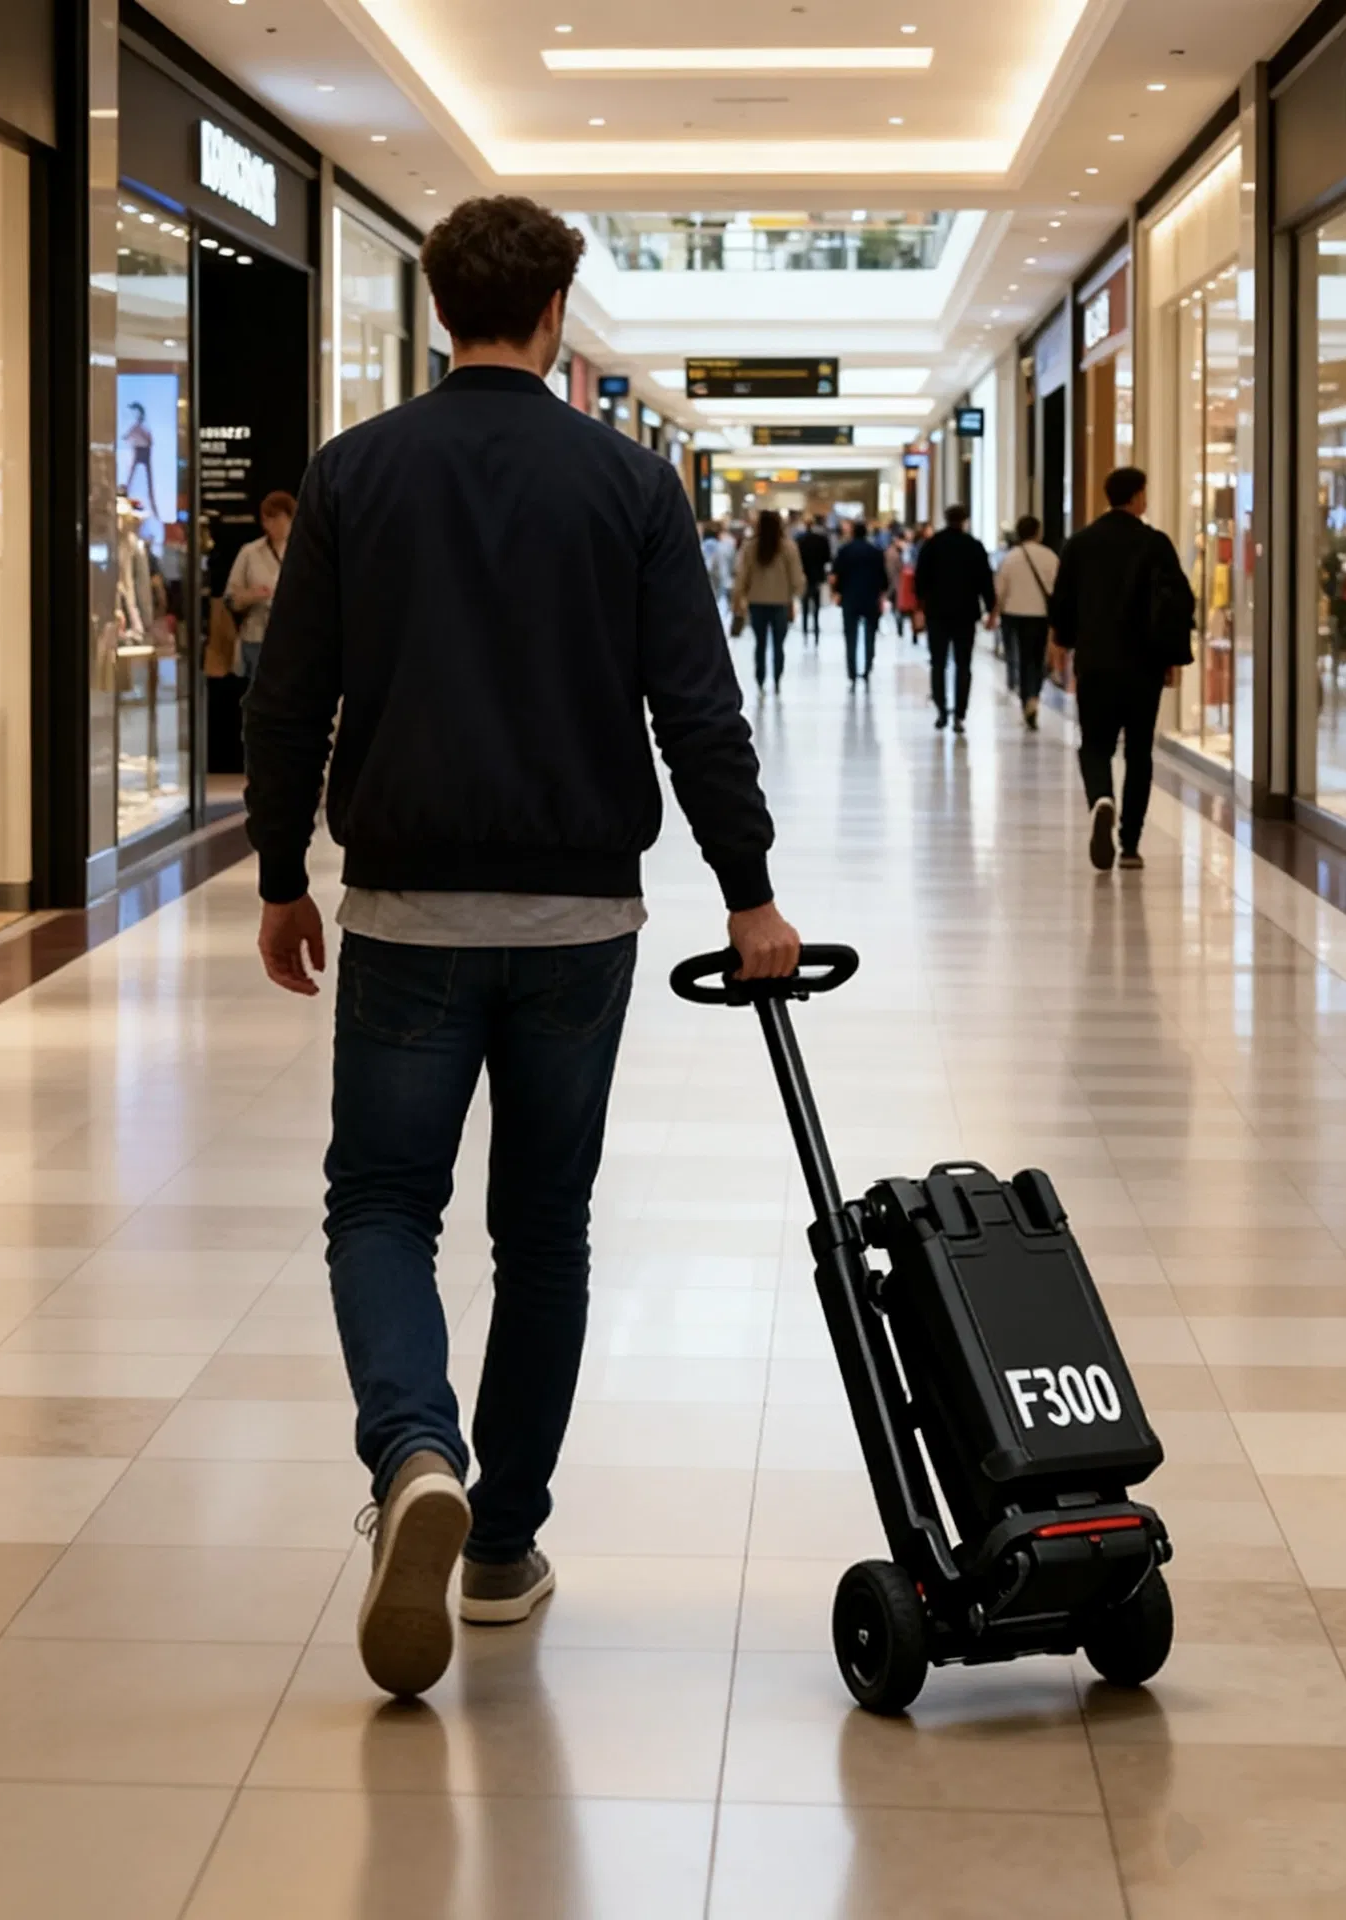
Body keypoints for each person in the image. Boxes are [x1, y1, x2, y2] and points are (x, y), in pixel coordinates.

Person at [242, 194, 801, 1701]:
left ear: (441, 311)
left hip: (407, 912)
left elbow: (288, 700)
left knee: (381, 1204)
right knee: (544, 1233)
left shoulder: (353, 473)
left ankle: (415, 1450)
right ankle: (499, 1547)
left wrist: (283, 874)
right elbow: (696, 705)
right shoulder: (628, 483)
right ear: (556, 313)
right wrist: (749, 891)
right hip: (577, 921)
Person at [1048, 466, 1195, 872]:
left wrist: (1063, 642)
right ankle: (1130, 844)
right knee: (1139, 752)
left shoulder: (1080, 543)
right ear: (1137, 497)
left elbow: (1062, 601)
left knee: (1095, 745)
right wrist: (1173, 657)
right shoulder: (1155, 544)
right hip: (1144, 666)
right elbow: (1179, 602)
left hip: (1096, 663)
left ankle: (1101, 797)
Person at [912, 504, 997, 734]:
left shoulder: (932, 545)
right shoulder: (974, 546)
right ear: (965, 520)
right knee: (963, 664)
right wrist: (991, 610)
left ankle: (941, 710)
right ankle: (960, 713)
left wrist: (920, 606)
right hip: (965, 614)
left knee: (937, 663)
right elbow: (985, 581)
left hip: (937, 613)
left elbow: (920, 579)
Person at [994, 513, 1061, 732]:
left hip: (1014, 615)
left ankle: (1026, 700)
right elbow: (1059, 588)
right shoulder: (1049, 556)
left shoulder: (1010, 558)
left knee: (1022, 659)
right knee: (1037, 658)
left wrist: (995, 614)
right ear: (1038, 533)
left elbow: (1000, 590)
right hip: (1040, 615)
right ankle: (1034, 696)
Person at [224, 489, 297, 680]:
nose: (270, 525)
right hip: (257, 639)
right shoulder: (250, 552)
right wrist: (251, 596)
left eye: (277, 519)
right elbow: (230, 599)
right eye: (266, 519)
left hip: (295, 639)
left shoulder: (305, 553)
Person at [733, 507, 804, 693]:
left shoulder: (750, 547)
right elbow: (797, 577)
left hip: (756, 602)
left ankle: (760, 679)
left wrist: (738, 598)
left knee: (760, 644)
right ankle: (777, 679)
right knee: (778, 645)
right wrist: (796, 594)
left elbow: (742, 576)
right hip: (781, 602)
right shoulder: (788, 547)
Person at [830, 519, 888, 685]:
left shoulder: (845, 551)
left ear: (853, 532)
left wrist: (837, 592)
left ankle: (852, 671)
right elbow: (883, 577)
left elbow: (836, 574)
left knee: (851, 635)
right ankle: (867, 667)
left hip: (850, 597)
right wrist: (881, 594)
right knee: (870, 635)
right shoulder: (875, 551)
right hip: (870, 598)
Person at [795, 513, 831, 641]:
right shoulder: (821, 539)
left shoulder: (800, 540)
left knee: (805, 604)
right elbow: (827, 557)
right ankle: (815, 628)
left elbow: (796, 560)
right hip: (817, 576)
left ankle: (805, 629)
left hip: (804, 576)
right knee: (816, 604)